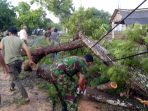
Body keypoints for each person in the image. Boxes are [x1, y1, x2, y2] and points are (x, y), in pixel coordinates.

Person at [0, 26, 34, 102]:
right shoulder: (20, 40)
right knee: (15, 76)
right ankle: (12, 87)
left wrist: (3, 65)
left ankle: (25, 97)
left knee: (17, 79)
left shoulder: (4, 39)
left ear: (9, 32)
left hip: (10, 62)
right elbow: (27, 49)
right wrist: (30, 60)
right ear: (16, 33)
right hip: (19, 62)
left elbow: (0, 50)